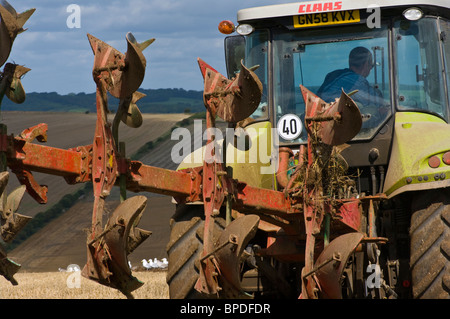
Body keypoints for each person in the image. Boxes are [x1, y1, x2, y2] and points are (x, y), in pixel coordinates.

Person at [316, 46, 383, 107]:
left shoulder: (332, 75)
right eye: (371, 66)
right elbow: (377, 102)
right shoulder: (358, 80)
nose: (370, 69)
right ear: (366, 64)